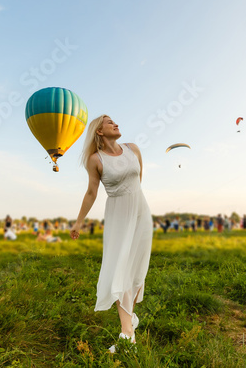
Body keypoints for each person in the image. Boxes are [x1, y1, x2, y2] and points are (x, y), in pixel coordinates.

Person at [70, 115, 153, 352]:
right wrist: (78, 222)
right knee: (120, 269)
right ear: (99, 132)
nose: (115, 123)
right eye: (109, 122)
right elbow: (91, 193)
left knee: (137, 268)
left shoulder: (133, 149)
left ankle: (130, 320)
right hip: (118, 216)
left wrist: (136, 203)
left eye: (115, 121)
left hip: (141, 212)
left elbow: (138, 179)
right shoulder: (95, 159)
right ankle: (128, 334)